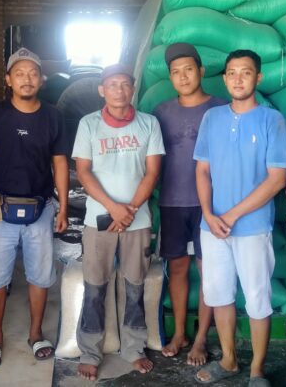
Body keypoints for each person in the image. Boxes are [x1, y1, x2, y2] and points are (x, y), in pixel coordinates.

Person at [193, 50, 286, 387]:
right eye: (232, 72)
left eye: (245, 72)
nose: (238, 79)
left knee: (257, 299)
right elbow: (202, 170)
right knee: (219, 295)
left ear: (258, 78)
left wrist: (231, 215)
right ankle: (229, 359)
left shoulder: (272, 120)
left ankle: (257, 370)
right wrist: (209, 214)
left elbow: (277, 179)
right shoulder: (212, 118)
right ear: (224, 79)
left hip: (252, 227)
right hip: (213, 227)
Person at [0, 47, 69, 367]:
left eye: (33, 73)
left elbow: (60, 164)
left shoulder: (53, 116)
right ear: (8, 80)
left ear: (42, 79)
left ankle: (36, 333)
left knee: (39, 275)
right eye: (19, 73)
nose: (27, 79)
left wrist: (63, 207)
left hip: (41, 208)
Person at [72, 63, 165, 381]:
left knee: (135, 286)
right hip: (98, 220)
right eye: (112, 84)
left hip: (137, 221)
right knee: (94, 287)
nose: (119, 90)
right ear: (102, 90)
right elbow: (83, 171)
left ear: (133, 88)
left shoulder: (149, 123)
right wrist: (114, 208)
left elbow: (152, 172)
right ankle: (90, 352)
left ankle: (134, 349)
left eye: (125, 84)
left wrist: (131, 209)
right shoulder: (89, 124)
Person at [152, 43, 225, 365]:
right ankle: (180, 333)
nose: (183, 77)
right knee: (178, 268)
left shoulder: (220, 109)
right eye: (176, 72)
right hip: (171, 203)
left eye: (189, 70)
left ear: (201, 71)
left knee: (208, 270)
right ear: (170, 77)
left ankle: (201, 338)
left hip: (209, 205)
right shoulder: (161, 112)